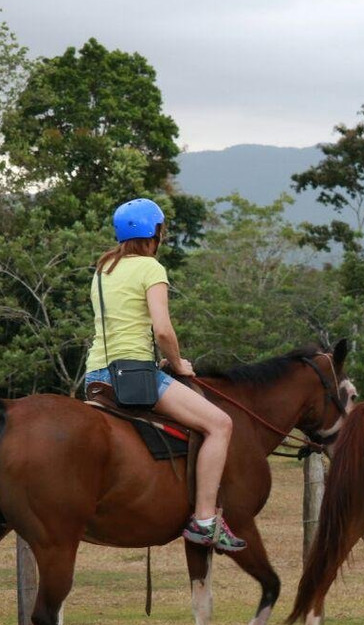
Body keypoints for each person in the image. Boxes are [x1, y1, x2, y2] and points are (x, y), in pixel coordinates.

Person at [85, 198, 245, 552]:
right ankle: (205, 519)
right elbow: (163, 331)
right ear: (153, 234)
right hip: (134, 375)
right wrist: (177, 362)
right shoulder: (150, 269)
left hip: (95, 376)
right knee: (220, 425)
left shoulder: (102, 270)